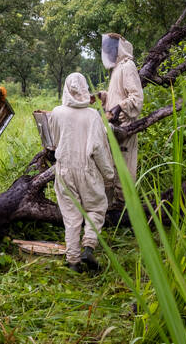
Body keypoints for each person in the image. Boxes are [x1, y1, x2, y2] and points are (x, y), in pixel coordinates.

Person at [49, 72, 115, 272]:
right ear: (85, 89)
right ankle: (88, 246)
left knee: (71, 216)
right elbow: (98, 148)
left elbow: (53, 142)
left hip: (64, 169)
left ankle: (73, 261)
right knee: (96, 208)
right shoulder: (92, 115)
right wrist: (109, 175)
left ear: (67, 89)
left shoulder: (57, 112)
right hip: (87, 169)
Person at [97, 33, 144, 190]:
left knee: (124, 172)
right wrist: (102, 96)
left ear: (118, 48)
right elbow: (117, 95)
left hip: (125, 127)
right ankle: (115, 208)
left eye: (111, 48)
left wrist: (121, 107)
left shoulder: (127, 66)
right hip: (114, 127)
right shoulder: (117, 68)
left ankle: (125, 209)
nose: (108, 51)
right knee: (113, 169)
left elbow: (136, 98)